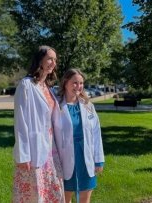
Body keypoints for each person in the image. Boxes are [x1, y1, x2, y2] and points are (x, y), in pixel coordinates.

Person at [12, 45, 64, 203]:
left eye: (55, 60)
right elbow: (21, 121)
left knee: (52, 191)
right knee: (33, 195)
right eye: (49, 58)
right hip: (34, 150)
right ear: (39, 60)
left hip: (51, 148)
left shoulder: (47, 87)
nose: (53, 63)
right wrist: (23, 155)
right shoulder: (26, 85)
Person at [53, 69, 105, 203]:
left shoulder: (88, 105)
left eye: (81, 83)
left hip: (85, 157)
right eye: (75, 83)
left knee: (84, 198)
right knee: (65, 198)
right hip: (64, 158)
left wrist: (99, 160)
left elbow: (96, 133)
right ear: (65, 83)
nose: (78, 86)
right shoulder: (56, 105)